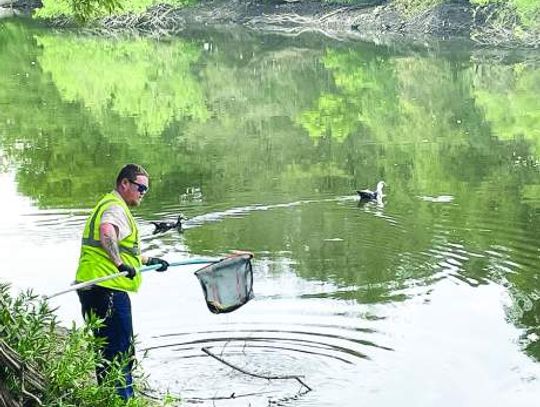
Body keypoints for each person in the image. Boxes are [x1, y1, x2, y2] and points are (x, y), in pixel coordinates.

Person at [75, 163, 169, 400]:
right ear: (125, 183)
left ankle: (110, 399)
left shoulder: (110, 204)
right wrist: (119, 265)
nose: (143, 194)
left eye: (145, 190)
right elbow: (107, 232)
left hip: (93, 286)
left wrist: (148, 260)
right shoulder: (115, 207)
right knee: (119, 352)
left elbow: (121, 247)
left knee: (106, 350)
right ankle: (121, 400)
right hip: (108, 288)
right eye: (140, 188)